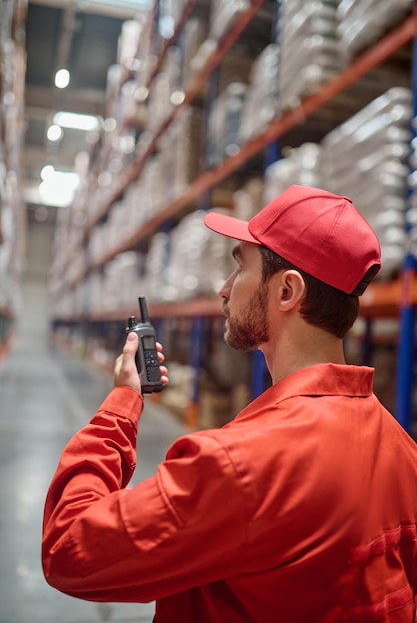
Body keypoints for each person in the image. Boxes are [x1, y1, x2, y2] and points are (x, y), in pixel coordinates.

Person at [42, 185, 417, 622]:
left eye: (239, 268)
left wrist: (120, 407)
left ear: (286, 291)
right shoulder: (402, 452)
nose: (223, 289)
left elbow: (69, 548)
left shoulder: (240, 465)